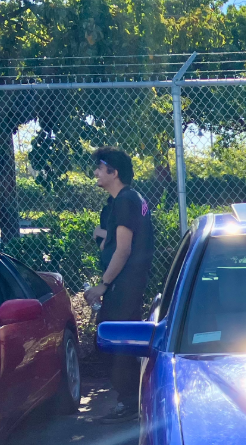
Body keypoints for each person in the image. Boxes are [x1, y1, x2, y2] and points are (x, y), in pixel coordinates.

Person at [85, 147, 155, 423]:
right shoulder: (127, 200)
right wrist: (104, 236)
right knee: (116, 342)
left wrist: (103, 285)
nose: (96, 172)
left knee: (116, 344)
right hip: (128, 285)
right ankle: (129, 400)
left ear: (113, 172)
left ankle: (129, 403)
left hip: (123, 286)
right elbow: (118, 240)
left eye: (100, 168)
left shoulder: (125, 200)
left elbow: (124, 250)